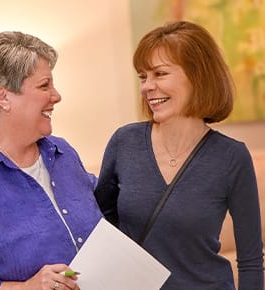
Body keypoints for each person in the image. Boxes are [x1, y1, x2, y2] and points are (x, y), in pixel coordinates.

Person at [94, 21, 264, 290]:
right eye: (143, 76)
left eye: (160, 74)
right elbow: (99, 221)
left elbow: (251, 259)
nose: (147, 87)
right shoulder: (124, 142)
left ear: (198, 76)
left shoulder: (232, 158)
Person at [0, 31, 103, 290]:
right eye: (44, 86)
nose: (56, 96)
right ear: (3, 97)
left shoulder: (63, 153)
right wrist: (24, 287)